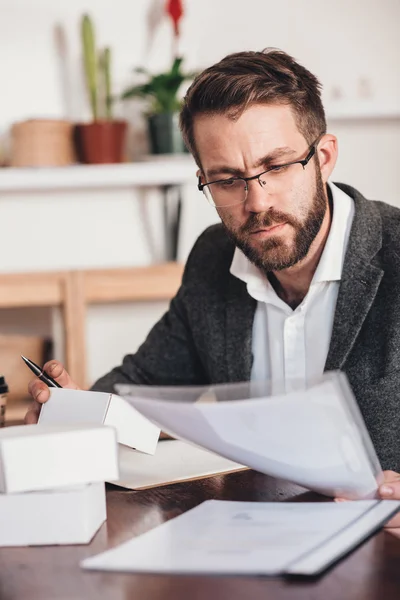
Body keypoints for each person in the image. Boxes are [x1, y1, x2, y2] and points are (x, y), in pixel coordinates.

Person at [26, 49, 400, 518]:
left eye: (278, 166)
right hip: (250, 542)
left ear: (323, 158)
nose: (257, 202)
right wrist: (76, 412)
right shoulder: (213, 255)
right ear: (204, 180)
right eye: (227, 180)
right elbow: (141, 383)